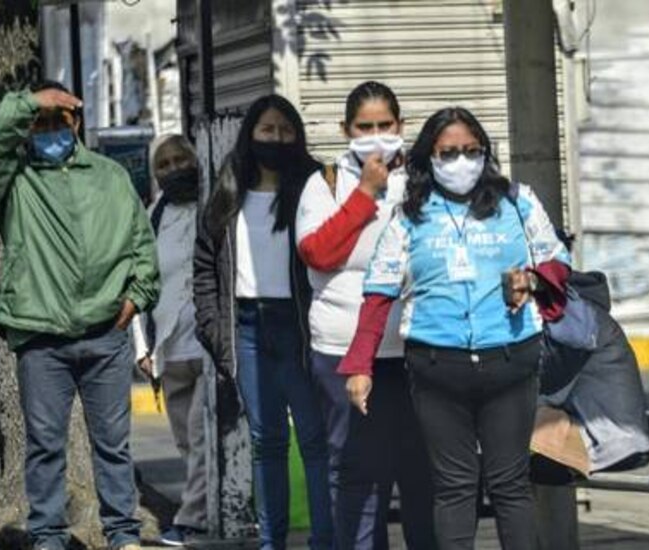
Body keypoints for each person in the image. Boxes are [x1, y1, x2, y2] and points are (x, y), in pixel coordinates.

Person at [339, 107, 571, 550]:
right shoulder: (410, 216)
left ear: (485, 153)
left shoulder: (518, 203)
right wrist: (360, 364)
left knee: (510, 484)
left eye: (471, 151)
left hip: (510, 358)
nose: (461, 162)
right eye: (448, 153)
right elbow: (379, 290)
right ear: (429, 158)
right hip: (436, 366)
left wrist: (533, 279)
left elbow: (558, 260)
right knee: (454, 486)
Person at [0, 81, 159, 550]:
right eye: (41, 122)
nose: (51, 128)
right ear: (28, 126)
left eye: (61, 119)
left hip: (106, 334)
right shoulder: (13, 180)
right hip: (41, 337)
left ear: (77, 123)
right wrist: (30, 102)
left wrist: (136, 297)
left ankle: (123, 535)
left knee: (113, 445)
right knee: (45, 448)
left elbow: (143, 247)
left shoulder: (111, 176)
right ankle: (49, 537)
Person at [296, 81, 435, 549]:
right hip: (343, 351)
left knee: (421, 471)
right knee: (357, 472)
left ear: (402, 126)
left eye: (385, 125)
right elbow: (318, 251)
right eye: (364, 127)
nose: (376, 136)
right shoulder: (326, 184)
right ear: (345, 130)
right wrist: (365, 194)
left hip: (417, 349)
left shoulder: (423, 179)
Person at [192, 94, 333, 550]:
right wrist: (215, 330)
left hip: (299, 327)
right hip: (247, 326)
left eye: (285, 130)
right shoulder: (228, 189)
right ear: (251, 134)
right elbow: (204, 267)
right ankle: (272, 543)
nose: (276, 138)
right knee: (266, 442)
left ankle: (325, 540)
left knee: (315, 440)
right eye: (267, 130)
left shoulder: (314, 186)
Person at [130, 134, 208, 546]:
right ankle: (208, 510)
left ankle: (190, 519)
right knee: (185, 441)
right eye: (165, 164)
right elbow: (139, 284)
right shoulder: (152, 216)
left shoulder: (212, 206)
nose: (175, 168)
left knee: (201, 433)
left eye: (182, 159)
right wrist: (142, 348)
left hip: (209, 346)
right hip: (170, 347)